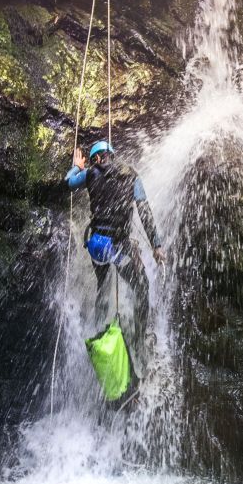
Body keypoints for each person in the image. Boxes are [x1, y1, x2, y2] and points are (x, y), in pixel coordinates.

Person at [66, 140, 164, 337]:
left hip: (97, 247)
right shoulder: (131, 175)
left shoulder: (90, 174)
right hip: (118, 248)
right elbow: (144, 213)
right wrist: (156, 245)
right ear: (112, 155)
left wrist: (77, 167)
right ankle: (140, 336)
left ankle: (100, 335)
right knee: (141, 287)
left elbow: (68, 182)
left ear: (95, 159)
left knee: (103, 287)